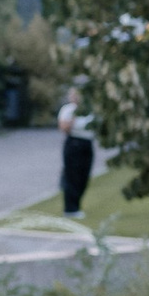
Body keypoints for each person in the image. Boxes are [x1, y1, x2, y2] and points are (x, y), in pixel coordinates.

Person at [58, 82, 97, 215]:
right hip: (74, 144)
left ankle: (76, 205)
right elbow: (64, 128)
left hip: (87, 143)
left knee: (83, 176)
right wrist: (74, 117)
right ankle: (70, 208)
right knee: (72, 175)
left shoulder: (90, 110)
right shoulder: (68, 110)